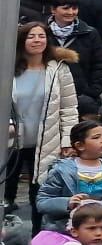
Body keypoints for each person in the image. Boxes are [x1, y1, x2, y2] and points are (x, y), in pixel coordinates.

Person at [12, 20, 80, 213]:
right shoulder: (8, 66)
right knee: (7, 190)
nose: (37, 40)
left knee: (41, 192)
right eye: (31, 36)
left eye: (41, 36)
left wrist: (68, 140)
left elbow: (69, 108)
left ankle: (39, 237)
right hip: (12, 140)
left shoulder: (59, 69)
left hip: (47, 141)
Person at [37, 120, 102, 227]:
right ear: (79, 145)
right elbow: (43, 201)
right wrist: (67, 203)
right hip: (70, 226)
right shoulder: (62, 170)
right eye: (96, 137)